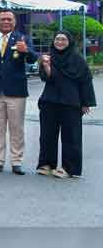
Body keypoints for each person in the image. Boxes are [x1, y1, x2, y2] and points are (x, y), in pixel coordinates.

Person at [0, 10, 36, 175]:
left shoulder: (23, 38)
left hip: (16, 92)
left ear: (14, 22)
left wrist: (26, 50)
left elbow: (33, 59)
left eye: (9, 19)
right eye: (3, 19)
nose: (6, 22)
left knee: (16, 128)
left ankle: (17, 161)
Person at [36, 31, 96, 179]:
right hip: (50, 101)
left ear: (69, 42)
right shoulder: (49, 57)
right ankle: (46, 164)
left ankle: (69, 168)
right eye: (57, 39)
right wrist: (46, 66)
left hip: (71, 102)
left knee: (71, 137)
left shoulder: (78, 59)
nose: (60, 42)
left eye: (63, 39)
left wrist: (86, 102)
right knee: (47, 135)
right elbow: (46, 78)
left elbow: (86, 81)